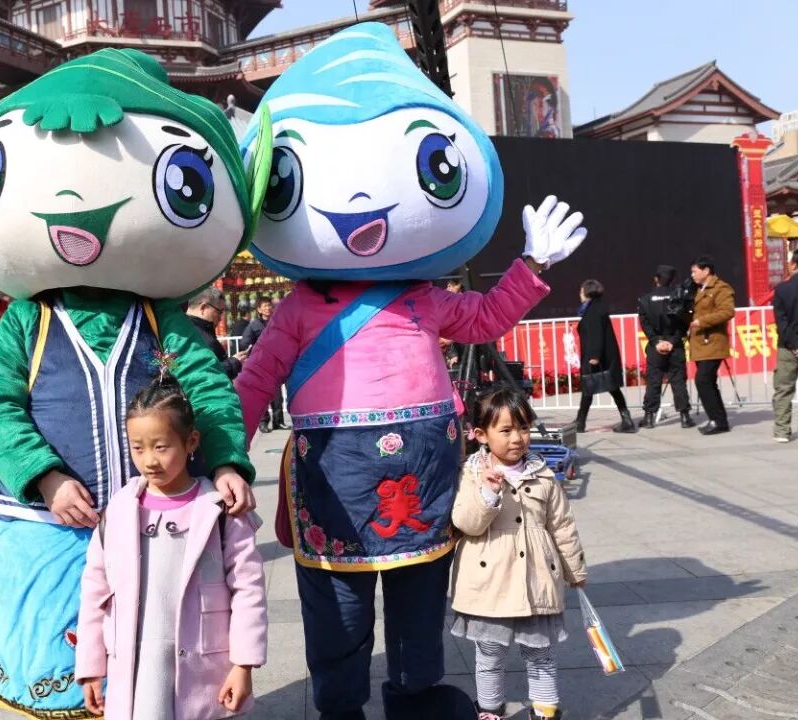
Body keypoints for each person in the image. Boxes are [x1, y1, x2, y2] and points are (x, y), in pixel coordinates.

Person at [234, 23, 586, 720]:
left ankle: (415, 694)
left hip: (421, 481)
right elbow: (255, 382)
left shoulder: (424, 298)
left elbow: (485, 318)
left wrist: (532, 266)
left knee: (420, 599)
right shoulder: (299, 308)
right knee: (338, 607)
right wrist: (223, 459)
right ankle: (340, 703)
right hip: (335, 487)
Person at [0, 48, 262, 716]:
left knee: (153, 660)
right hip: (49, 523)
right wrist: (43, 476)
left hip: (151, 519)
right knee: (52, 659)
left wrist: (224, 461)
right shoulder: (27, 320)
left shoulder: (161, 319)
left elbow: (210, 392)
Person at [76, 375, 268, 719]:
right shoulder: (118, 510)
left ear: (191, 441)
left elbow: (248, 589)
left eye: (161, 446)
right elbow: (94, 591)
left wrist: (243, 664)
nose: (149, 460)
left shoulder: (220, 510)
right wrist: (91, 666)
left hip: (203, 665)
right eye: (138, 448)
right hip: (136, 665)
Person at [450, 388, 586, 720]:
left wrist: (575, 570)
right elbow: (466, 523)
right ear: (481, 434)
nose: (517, 438)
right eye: (506, 430)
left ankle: (545, 711)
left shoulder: (543, 476)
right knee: (490, 654)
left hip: (536, 582)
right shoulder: (471, 474)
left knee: (541, 655)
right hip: (489, 584)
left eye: (523, 428)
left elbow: (562, 525)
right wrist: (488, 493)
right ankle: (489, 710)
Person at [575, 279, 635, 434]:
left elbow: (596, 334)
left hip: (597, 356)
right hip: (603, 355)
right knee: (607, 387)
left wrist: (594, 355)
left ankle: (580, 423)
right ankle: (581, 422)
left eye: (581, 291)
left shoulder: (593, 310)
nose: (580, 294)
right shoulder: (595, 308)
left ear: (588, 292)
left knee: (593, 386)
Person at [636, 265, 693, 429]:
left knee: (653, 381)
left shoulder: (645, 300)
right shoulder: (680, 298)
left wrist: (656, 341)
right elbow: (684, 323)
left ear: (656, 279)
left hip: (656, 346)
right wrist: (673, 341)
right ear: (672, 280)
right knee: (678, 380)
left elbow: (645, 324)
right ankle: (684, 417)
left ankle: (649, 417)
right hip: (675, 345)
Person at [688, 255, 735, 435]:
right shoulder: (696, 289)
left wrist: (702, 321)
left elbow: (727, 311)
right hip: (700, 342)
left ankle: (717, 420)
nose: (692, 275)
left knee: (703, 380)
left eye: (695, 271)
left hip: (713, 341)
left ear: (706, 270)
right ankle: (719, 420)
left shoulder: (721, 288)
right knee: (708, 382)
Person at [771, 248, 798, 444]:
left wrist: (796, 343)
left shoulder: (782, 289)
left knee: (784, 388)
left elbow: (781, 322)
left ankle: (781, 431)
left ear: (794, 264)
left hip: (788, 345)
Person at [241, 297, 285, 432]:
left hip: (275, 363)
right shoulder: (253, 325)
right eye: (265, 306)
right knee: (261, 395)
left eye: (270, 305)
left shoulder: (277, 322)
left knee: (277, 395)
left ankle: (278, 422)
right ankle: (263, 422)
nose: (268, 308)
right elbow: (244, 342)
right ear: (259, 309)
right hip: (260, 364)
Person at [187, 287, 249, 380]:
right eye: (219, 312)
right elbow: (202, 375)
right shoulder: (194, 336)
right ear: (203, 308)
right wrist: (233, 362)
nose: (221, 318)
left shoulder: (191, 329)